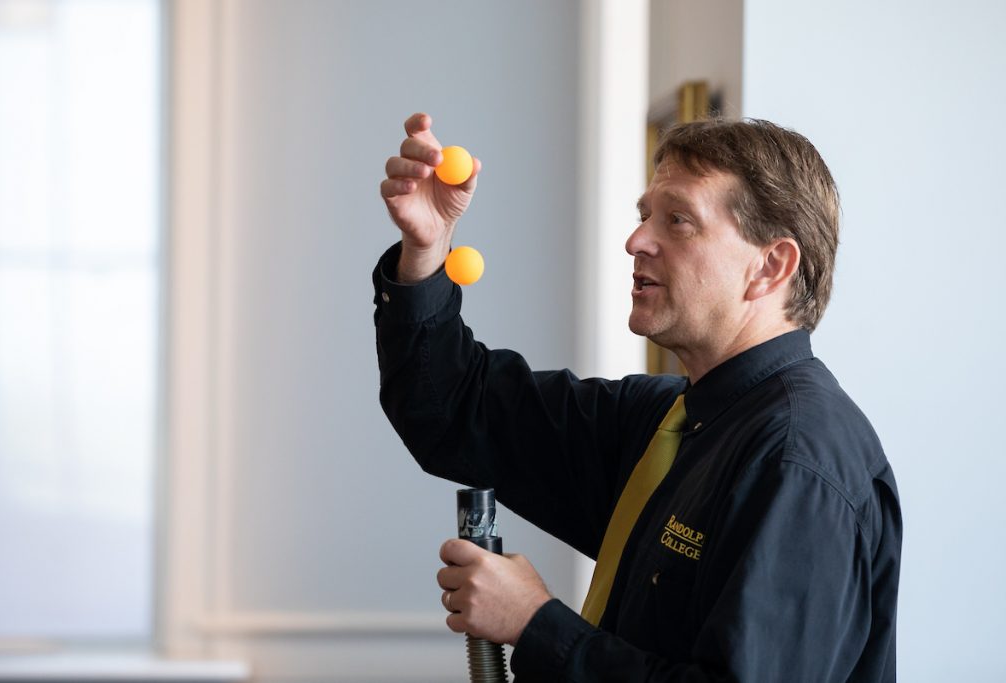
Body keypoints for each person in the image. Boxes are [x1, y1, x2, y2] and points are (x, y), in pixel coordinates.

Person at [374, 112, 901, 681]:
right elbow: (453, 408)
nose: (636, 240)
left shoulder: (799, 462)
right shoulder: (665, 421)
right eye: (644, 215)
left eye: (678, 220)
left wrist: (535, 624)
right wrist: (425, 249)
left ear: (770, 266)